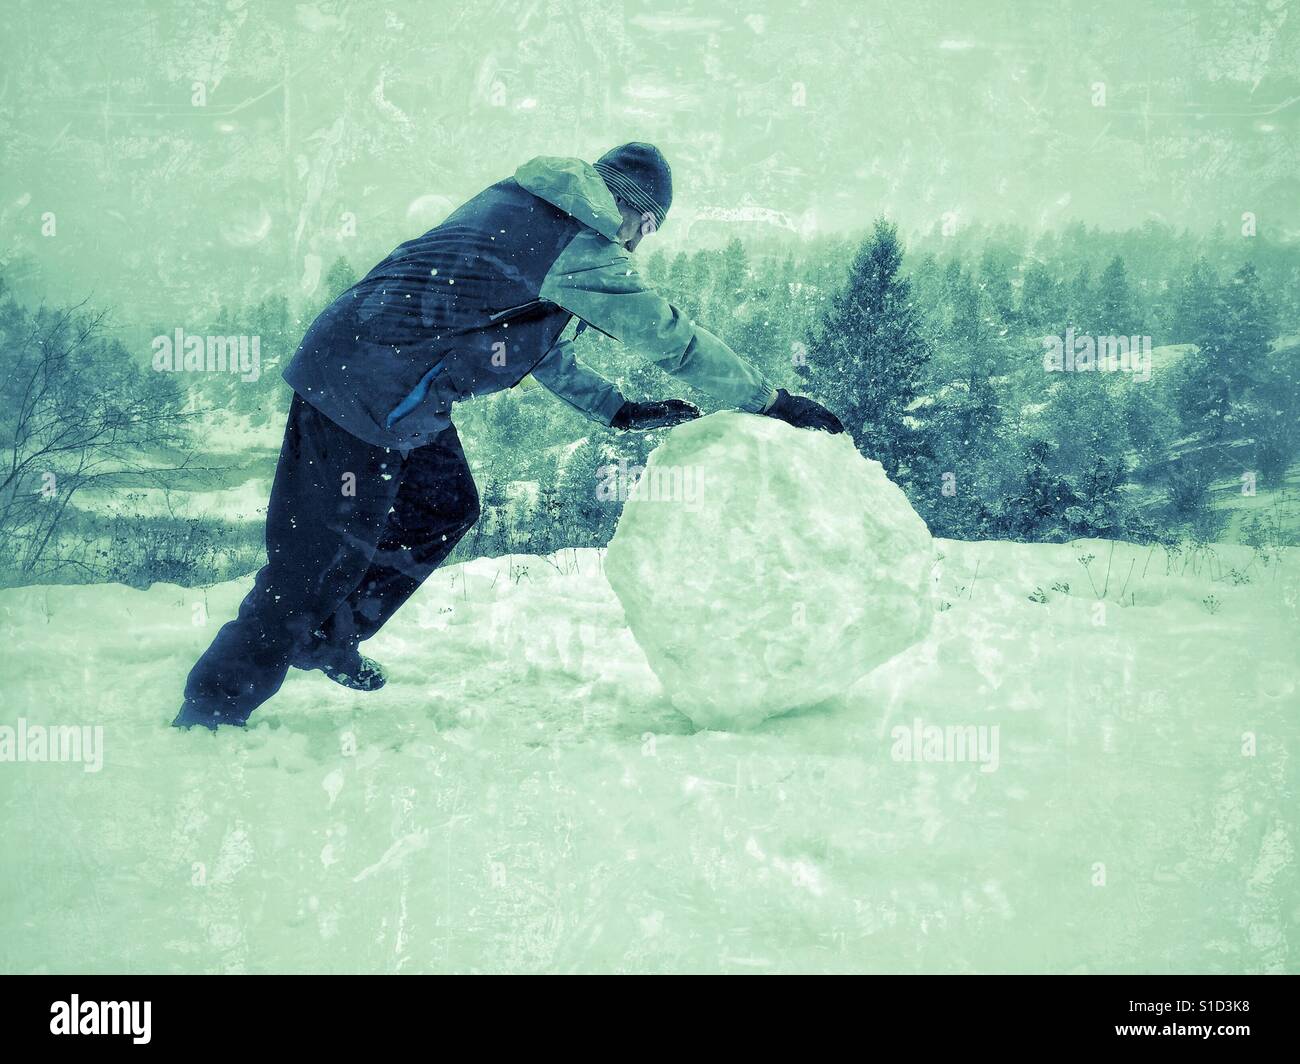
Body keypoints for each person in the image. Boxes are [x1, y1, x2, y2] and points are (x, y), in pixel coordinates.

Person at [174, 142, 843, 730]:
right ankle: (214, 706)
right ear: (642, 217)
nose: (639, 244)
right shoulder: (578, 239)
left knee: (444, 503)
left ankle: (331, 635)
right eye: (648, 230)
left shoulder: (534, 211)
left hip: (396, 382)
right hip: (363, 386)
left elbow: (531, 349)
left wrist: (613, 410)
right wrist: (771, 400)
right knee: (316, 561)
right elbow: (669, 337)